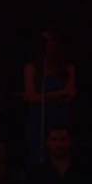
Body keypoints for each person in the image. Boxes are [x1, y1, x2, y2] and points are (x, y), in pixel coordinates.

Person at [23, 29, 77, 165]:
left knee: (61, 154)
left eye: (53, 42)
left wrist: (42, 97)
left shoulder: (68, 68)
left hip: (61, 118)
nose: (50, 47)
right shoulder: (32, 68)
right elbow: (31, 97)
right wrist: (59, 94)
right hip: (39, 119)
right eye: (47, 43)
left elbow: (70, 94)